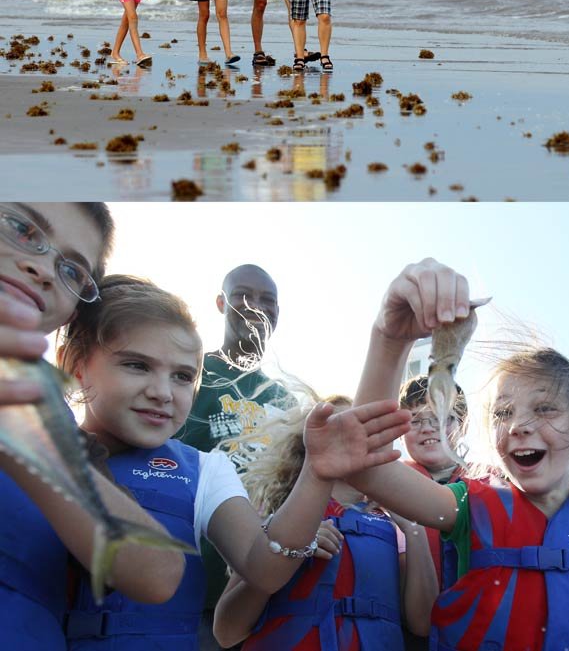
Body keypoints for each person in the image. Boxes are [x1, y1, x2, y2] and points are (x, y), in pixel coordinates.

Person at [56, 273, 409, 649]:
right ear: (75, 364)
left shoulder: (207, 468)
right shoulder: (27, 447)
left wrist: (316, 472)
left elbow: (263, 565)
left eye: (181, 376)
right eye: (136, 366)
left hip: (211, 601)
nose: (161, 392)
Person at [352, 257, 569, 651]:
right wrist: (389, 336)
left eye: (545, 408)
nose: (518, 425)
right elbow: (363, 464)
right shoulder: (466, 505)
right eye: (503, 413)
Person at [0, 203, 187, 651]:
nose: (42, 267)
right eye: (19, 228)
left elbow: (157, 574)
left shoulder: (58, 430)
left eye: (71, 270)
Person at [213, 395, 438, 649]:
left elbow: (422, 623)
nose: (353, 433)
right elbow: (226, 631)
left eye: (363, 425)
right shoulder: (280, 517)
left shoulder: (394, 524)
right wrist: (290, 548)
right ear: (309, 444)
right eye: (339, 426)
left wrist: (413, 528)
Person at [178, 263, 295, 649]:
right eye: (244, 295)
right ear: (220, 303)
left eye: (269, 299)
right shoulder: (188, 375)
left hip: (264, 597)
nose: (257, 306)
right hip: (192, 593)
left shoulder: (287, 399)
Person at [399, 377, 470, 651]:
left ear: (462, 426)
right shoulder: (380, 489)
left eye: (441, 417)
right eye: (415, 420)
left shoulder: (495, 483)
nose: (428, 428)